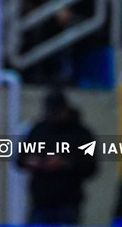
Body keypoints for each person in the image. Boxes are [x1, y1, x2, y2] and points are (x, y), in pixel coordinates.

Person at [16, 90, 98, 224]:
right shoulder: (38, 130)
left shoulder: (81, 134)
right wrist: (32, 161)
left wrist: (65, 163)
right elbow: (20, 160)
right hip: (40, 200)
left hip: (68, 201)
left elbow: (90, 167)